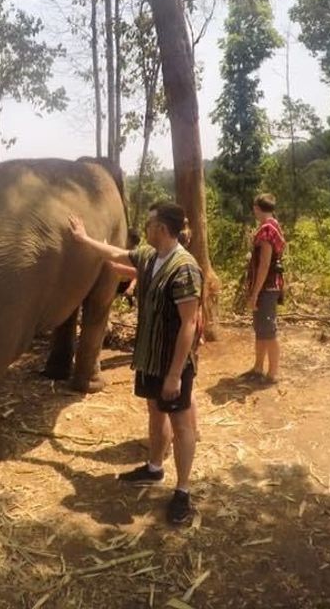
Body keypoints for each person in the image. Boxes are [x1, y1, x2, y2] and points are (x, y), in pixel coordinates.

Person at [69, 201, 202, 524]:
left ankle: (183, 492)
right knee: (156, 414)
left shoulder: (184, 267)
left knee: (182, 425)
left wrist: (174, 375)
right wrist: (84, 238)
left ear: (162, 229)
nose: (145, 227)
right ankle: (154, 468)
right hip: (149, 358)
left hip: (172, 363)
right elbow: (115, 255)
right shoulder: (151, 257)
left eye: (149, 222)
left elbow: (190, 324)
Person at [244, 193, 286, 384]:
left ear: (257, 208)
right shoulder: (270, 226)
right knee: (261, 328)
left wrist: (255, 292)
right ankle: (259, 367)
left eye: (254, 207)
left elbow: (265, 264)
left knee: (268, 329)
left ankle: (272, 373)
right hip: (264, 286)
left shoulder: (268, 229)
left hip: (266, 286)